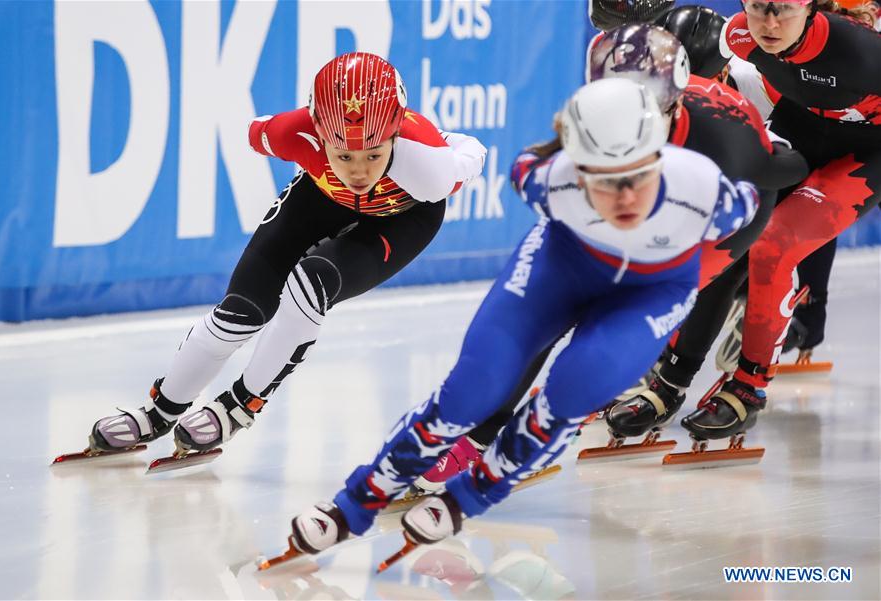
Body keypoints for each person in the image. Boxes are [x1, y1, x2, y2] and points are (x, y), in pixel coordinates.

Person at [282, 78, 759, 555]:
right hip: (565, 266)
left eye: (638, 176)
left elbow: (761, 198)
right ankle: (355, 503)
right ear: (577, 167)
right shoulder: (542, 178)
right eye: (603, 181)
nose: (625, 198)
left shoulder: (709, 193)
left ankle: (469, 497)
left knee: (577, 386)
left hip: (649, 291)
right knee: (471, 390)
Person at [410, 22, 807, 485]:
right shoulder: (600, 115)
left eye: (642, 113)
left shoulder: (723, 134)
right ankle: (476, 435)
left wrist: (773, 147)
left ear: (671, 103)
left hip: (726, 209)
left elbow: (787, 169)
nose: (625, 123)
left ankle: (602, 392)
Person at [82, 52, 486, 460]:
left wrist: (448, 144)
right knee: (238, 312)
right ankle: (159, 410)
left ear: (396, 137)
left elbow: (473, 151)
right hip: (320, 197)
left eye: (374, 155)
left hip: (404, 217)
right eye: (343, 155)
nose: (359, 173)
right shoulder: (290, 134)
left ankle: (240, 405)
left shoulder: (430, 169)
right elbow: (254, 129)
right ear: (318, 134)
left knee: (313, 283)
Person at [680, 0, 880, 446]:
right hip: (803, 128)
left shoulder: (860, 52)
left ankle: (750, 385)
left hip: (867, 150)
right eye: (759, 8)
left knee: (775, 241)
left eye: (782, 11)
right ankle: (670, 373)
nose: (769, 23)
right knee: (729, 226)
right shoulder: (739, 36)